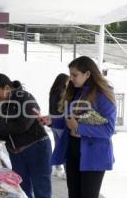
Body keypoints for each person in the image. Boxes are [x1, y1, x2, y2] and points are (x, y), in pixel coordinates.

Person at [38, 56, 116, 198]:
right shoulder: (75, 92)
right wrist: (51, 121)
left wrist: (80, 128)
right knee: (73, 194)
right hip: (73, 150)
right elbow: (68, 121)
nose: (71, 79)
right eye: (70, 75)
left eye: (75, 75)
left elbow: (109, 129)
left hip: (94, 155)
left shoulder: (103, 94)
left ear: (87, 74)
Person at [0, 73, 52, 198]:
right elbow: (6, 131)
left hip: (36, 148)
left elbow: (23, 125)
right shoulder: (5, 105)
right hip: (16, 153)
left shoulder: (26, 98)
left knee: (41, 188)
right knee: (21, 188)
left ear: (6, 87)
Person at [49, 73, 69, 178]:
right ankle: (66, 172)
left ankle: (57, 169)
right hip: (60, 122)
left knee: (57, 146)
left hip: (52, 122)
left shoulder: (52, 92)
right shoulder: (63, 93)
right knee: (64, 147)